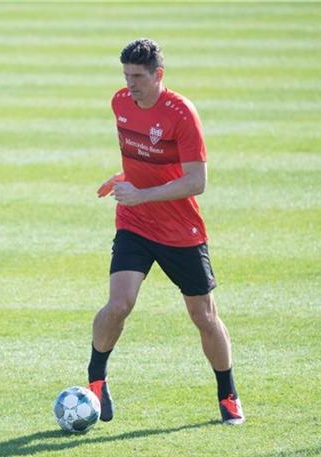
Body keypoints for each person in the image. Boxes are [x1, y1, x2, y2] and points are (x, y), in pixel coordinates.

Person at [88, 38, 244, 425]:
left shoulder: (182, 114)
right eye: (125, 75)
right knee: (119, 304)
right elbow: (147, 157)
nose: (130, 84)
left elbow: (196, 181)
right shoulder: (120, 103)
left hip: (180, 231)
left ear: (159, 74)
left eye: (138, 76)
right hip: (135, 224)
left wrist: (141, 193)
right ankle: (95, 382)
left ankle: (228, 395)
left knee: (204, 316)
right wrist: (126, 179)